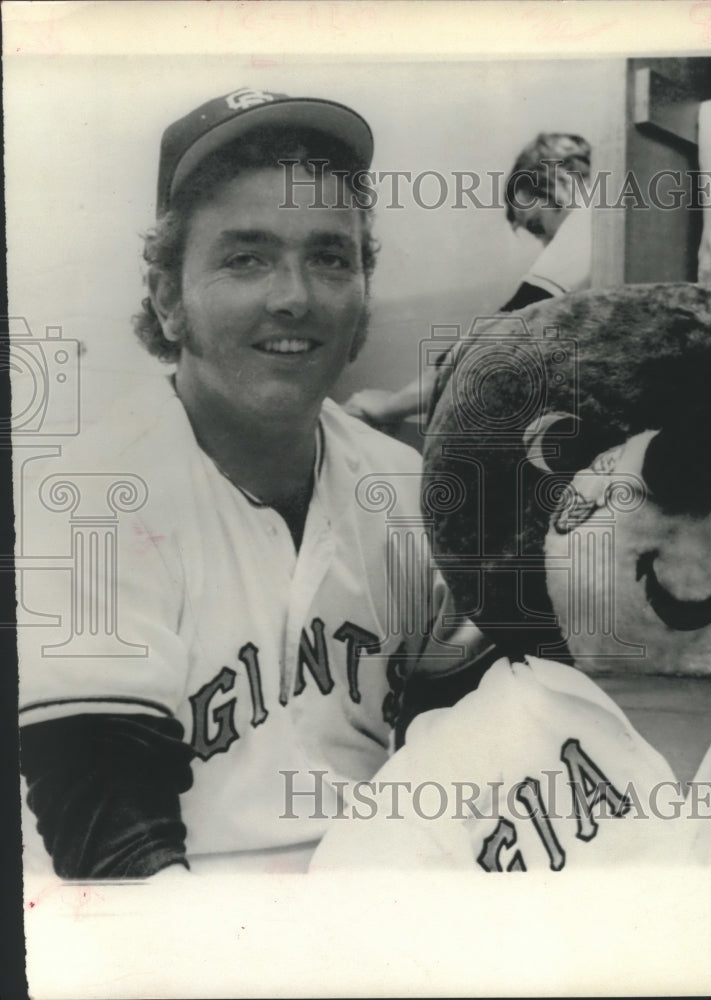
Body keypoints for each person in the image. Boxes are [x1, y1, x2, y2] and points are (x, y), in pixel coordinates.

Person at [17, 88, 438, 877]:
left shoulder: (411, 495)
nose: (294, 296)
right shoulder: (92, 504)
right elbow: (112, 841)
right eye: (245, 258)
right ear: (169, 299)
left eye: (329, 257)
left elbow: (487, 763)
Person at [342, 132, 592, 430]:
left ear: (558, 181)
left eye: (538, 226)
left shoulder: (586, 222)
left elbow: (492, 336)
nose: (547, 246)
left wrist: (390, 407)